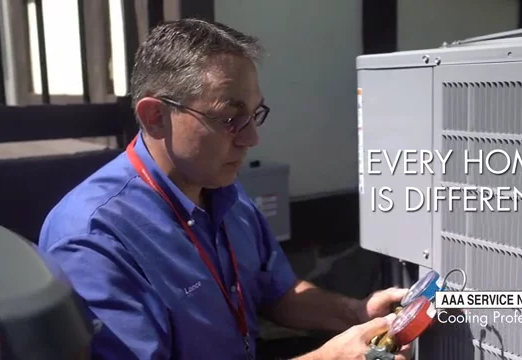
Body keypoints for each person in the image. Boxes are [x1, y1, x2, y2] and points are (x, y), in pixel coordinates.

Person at [37, 19, 413, 360]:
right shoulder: (93, 238)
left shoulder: (224, 190)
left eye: (255, 114)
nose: (252, 138)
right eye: (231, 118)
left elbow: (276, 291)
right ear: (156, 117)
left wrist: (355, 312)